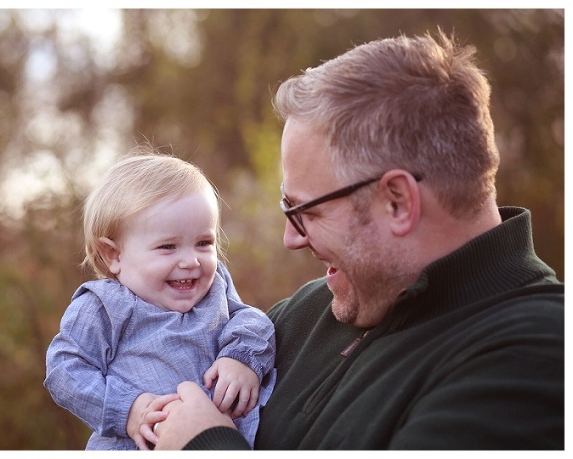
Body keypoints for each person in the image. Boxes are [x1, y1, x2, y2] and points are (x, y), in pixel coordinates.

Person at [151, 30, 564, 449]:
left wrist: (204, 445)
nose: (291, 238)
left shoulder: (540, 354)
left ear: (398, 202)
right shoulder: (299, 316)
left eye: (306, 212)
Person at [44, 150, 276, 450]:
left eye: (204, 243)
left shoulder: (215, 286)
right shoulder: (103, 306)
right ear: (113, 255)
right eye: (168, 247)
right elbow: (64, 369)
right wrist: (128, 410)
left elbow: (251, 319)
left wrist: (241, 358)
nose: (191, 261)